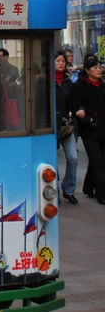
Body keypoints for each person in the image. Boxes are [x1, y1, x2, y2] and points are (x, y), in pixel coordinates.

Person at [70, 56, 105, 205]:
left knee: (99, 159)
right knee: (97, 160)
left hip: (103, 127)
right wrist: (85, 117)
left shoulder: (103, 85)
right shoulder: (80, 86)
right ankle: (102, 194)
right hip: (89, 129)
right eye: (95, 67)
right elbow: (75, 105)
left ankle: (88, 187)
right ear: (87, 70)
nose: (98, 70)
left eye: (99, 67)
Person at [55, 52, 78, 204]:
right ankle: (53, 191)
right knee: (51, 160)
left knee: (73, 157)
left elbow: (74, 102)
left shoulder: (68, 81)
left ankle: (68, 189)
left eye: (63, 61)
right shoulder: (43, 79)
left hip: (66, 125)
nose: (61, 63)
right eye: (58, 61)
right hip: (50, 126)